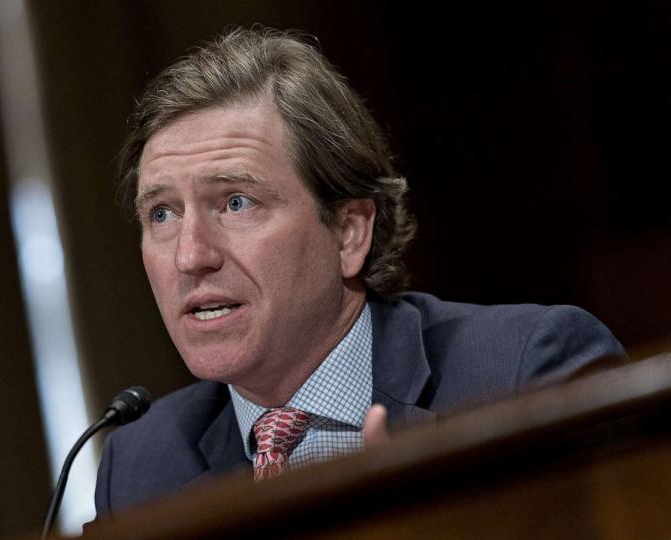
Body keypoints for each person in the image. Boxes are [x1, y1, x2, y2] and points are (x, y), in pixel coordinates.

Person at [93, 26, 624, 517]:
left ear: (349, 232)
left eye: (236, 203)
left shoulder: (522, 376)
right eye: (161, 213)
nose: (191, 255)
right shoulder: (141, 465)